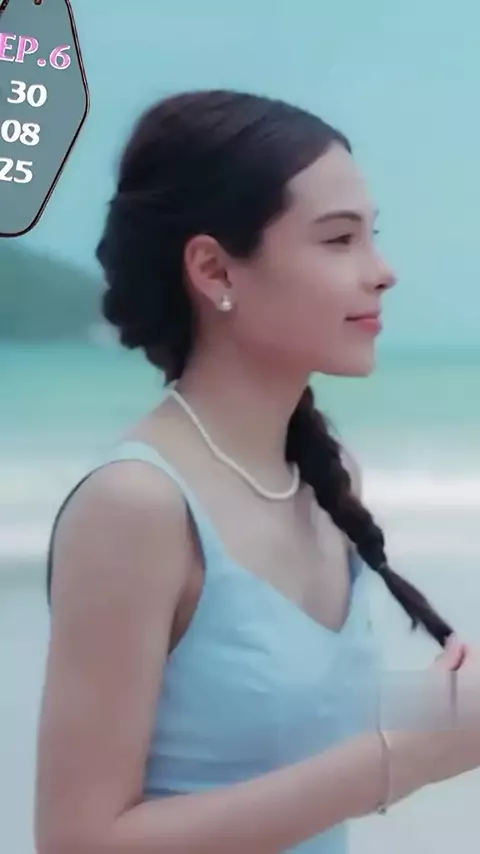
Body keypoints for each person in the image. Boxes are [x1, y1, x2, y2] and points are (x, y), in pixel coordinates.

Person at [35, 89, 480, 854]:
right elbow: (78, 842)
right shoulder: (137, 506)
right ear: (214, 270)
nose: (383, 272)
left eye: (371, 237)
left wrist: (441, 710)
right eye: (338, 240)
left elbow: (283, 741)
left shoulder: (325, 480)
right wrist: (406, 755)